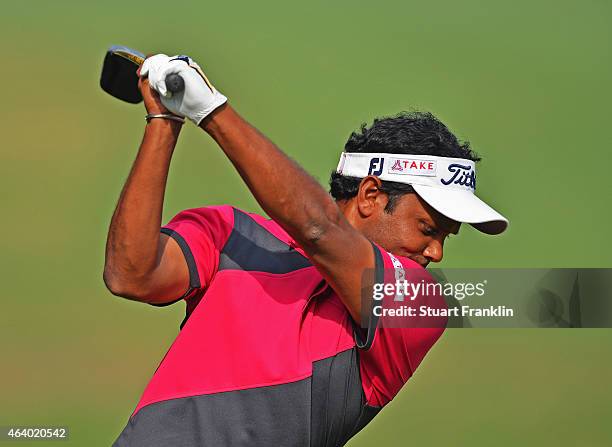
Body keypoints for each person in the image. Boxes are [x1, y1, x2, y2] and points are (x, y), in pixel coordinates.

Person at [104, 54, 508, 447]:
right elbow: (131, 276)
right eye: (428, 228)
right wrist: (164, 119)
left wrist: (211, 110)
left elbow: (318, 229)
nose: (436, 253)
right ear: (370, 196)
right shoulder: (231, 234)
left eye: (446, 237)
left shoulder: (421, 305)